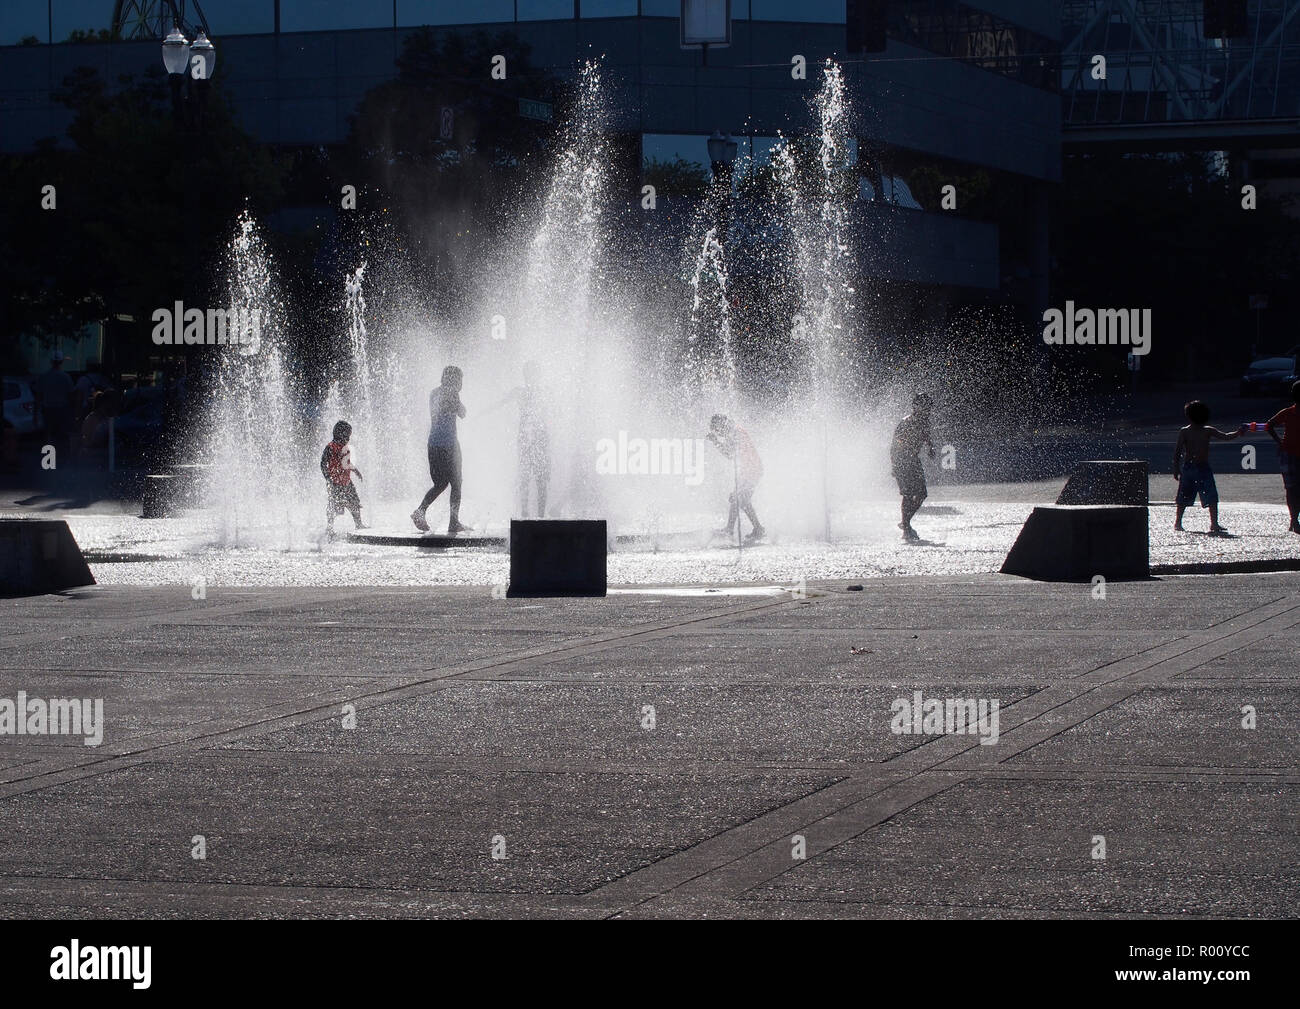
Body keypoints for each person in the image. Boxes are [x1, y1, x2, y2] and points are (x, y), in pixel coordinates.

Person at [485, 360, 551, 518]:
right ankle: (527, 513)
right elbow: (499, 404)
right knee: (527, 477)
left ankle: (537, 515)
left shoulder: (541, 392)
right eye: (530, 373)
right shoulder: (522, 392)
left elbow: (558, 412)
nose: (531, 377)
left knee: (538, 478)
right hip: (530, 438)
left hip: (538, 438)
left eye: (533, 373)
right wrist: (482, 413)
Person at [411, 365, 472, 534]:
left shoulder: (434, 392)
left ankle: (420, 511)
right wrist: (460, 406)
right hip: (449, 445)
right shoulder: (452, 392)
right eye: (460, 379)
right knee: (457, 484)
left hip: (433, 444)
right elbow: (462, 413)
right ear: (454, 379)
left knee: (440, 483)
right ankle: (453, 523)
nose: (461, 383)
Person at [1173, 400, 1241, 534]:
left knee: (1184, 496)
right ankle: (1213, 523)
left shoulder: (1187, 431)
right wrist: (1238, 433)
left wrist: (1176, 468)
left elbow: (1177, 452)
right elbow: (1226, 437)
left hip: (1190, 468)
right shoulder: (1205, 430)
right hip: (1201, 468)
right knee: (1210, 496)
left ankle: (1179, 522)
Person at [707, 414, 765, 543]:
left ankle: (735, 529)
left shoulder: (735, 432)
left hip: (751, 470)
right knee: (739, 500)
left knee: (738, 498)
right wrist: (717, 441)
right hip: (748, 470)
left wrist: (716, 441)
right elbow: (731, 454)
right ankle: (752, 528)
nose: (718, 432)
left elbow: (730, 453)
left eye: (717, 429)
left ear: (721, 424)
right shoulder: (734, 430)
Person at [891, 392, 935, 542]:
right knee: (908, 495)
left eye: (929, 407)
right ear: (916, 407)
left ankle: (905, 522)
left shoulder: (924, 422)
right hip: (902, 461)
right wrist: (894, 464)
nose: (928, 410)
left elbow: (926, 436)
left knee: (922, 494)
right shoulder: (906, 422)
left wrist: (930, 447)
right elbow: (894, 446)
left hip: (914, 461)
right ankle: (906, 527)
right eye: (925, 406)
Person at [1265, 380, 1300, 533]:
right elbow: (1269, 425)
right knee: (1292, 489)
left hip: (1288, 454)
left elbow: (1269, 425)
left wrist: (1279, 442)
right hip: (1289, 454)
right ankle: (1294, 519)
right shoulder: (1287, 412)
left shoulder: (1287, 412)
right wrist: (1280, 442)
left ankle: (1294, 519)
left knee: (1292, 489)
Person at [321, 419, 366, 535]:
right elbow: (323, 463)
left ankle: (358, 524)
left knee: (354, 502)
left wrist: (356, 471)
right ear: (339, 434)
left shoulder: (345, 447)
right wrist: (327, 477)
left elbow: (347, 462)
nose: (349, 438)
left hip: (346, 481)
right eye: (347, 435)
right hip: (334, 482)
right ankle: (330, 528)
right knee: (334, 505)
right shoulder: (330, 447)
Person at [33, 350, 75, 462]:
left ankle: (49, 461)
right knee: (63, 436)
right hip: (62, 410)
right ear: (61, 362)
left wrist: (35, 415)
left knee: (49, 435)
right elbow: (71, 397)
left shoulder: (44, 377)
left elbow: (38, 397)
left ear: (51, 361)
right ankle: (63, 460)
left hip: (48, 410)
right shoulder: (66, 377)